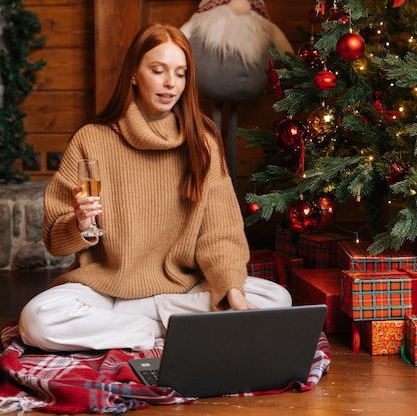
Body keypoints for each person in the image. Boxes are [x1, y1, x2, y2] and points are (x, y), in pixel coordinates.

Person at [19, 23, 291, 352]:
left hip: (179, 289)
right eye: (158, 70)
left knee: (276, 298)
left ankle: (138, 327)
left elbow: (220, 233)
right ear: (134, 74)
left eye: (180, 73)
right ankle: (170, 329)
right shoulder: (92, 139)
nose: (169, 83)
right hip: (105, 290)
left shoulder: (202, 143)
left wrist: (232, 294)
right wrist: (80, 224)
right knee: (36, 320)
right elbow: (55, 240)